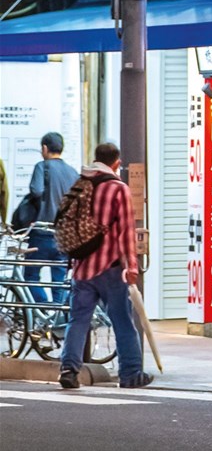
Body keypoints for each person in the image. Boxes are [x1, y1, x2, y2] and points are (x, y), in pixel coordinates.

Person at [59, 143, 153, 389]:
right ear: (117, 163)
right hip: (110, 267)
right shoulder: (118, 189)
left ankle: (69, 369)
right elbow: (126, 232)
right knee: (122, 321)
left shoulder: (80, 184)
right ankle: (131, 373)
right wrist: (131, 266)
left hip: (82, 266)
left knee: (78, 320)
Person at [26, 133, 78, 304]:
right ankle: (56, 314)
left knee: (31, 275)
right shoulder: (72, 172)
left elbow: (36, 191)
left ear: (45, 148)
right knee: (59, 280)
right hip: (64, 235)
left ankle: (43, 307)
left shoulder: (42, 167)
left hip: (42, 232)